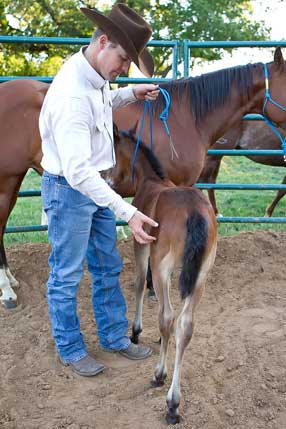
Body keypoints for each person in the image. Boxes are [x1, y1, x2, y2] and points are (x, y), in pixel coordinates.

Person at [39, 3, 160, 377]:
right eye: (124, 59)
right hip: (72, 189)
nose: (124, 69)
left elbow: (104, 100)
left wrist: (130, 95)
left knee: (107, 264)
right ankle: (71, 348)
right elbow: (77, 172)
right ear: (103, 42)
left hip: (96, 186)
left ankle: (113, 337)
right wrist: (128, 211)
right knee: (67, 273)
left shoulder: (94, 75)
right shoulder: (71, 95)